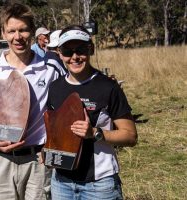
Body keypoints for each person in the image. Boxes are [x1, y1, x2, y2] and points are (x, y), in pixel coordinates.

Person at [0, 3, 65, 199]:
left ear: (32, 32)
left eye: (23, 30)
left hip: (39, 161)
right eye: (11, 31)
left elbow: (65, 113)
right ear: (3, 33)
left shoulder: (51, 68)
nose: (17, 37)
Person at [46, 25, 138, 200]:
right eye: (67, 50)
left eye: (80, 49)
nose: (74, 57)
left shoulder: (109, 88)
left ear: (91, 49)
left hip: (99, 184)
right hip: (61, 182)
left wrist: (95, 133)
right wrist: (47, 152)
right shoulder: (55, 88)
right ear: (59, 52)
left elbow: (130, 136)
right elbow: (53, 131)